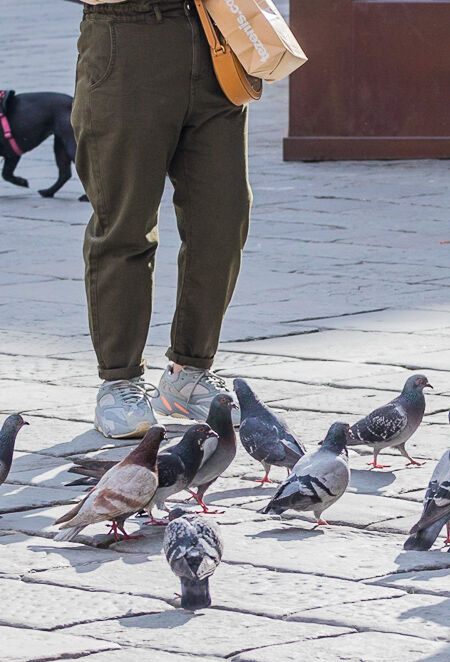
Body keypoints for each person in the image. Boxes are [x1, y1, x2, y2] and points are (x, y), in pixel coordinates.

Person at [73, 0, 249, 437]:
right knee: (125, 225)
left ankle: (188, 374)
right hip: (126, 38)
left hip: (214, 35)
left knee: (222, 221)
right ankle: (119, 383)